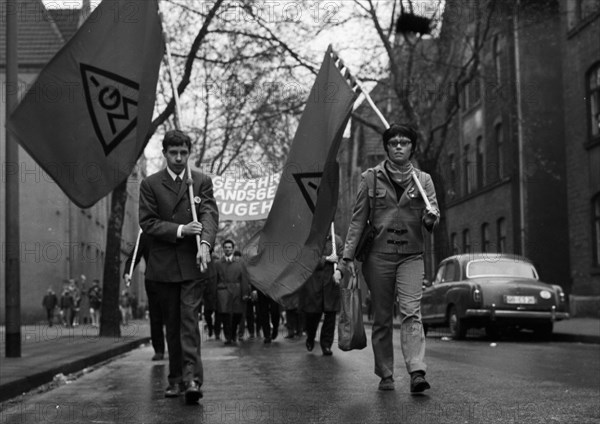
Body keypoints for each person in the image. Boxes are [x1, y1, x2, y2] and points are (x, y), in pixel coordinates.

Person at [335, 124, 439, 393]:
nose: (399, 146)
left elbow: (433, 216)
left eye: (405, 142)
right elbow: (358, 220)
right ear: (387, 147)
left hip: (411, 256)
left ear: (412, 148)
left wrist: (430, 219)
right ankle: (385, 373)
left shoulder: (423, 180)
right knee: (381, 317)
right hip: (378, 258)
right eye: (394, 143)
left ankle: (416, 370)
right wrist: (346, 256)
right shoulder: (370, 178)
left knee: (411, 312)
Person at [139, 129, 218, 403]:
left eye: (183, 153)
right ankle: (175, 379)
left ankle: (192, 379)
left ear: (189, 152)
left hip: (193, 263)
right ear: (164, 154)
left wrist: (206, 244)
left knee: (188, 321)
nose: (179, 158)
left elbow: (209, 215)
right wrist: (182, 229)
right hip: (163, 267)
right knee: (171, 325)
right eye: (173, 153)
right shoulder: (150, 184)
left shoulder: (200, 181)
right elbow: (148, 223)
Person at [124, 232, 166, 360]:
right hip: (152, 280)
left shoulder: (171, 230)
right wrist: (127, 272)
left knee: (173, 315)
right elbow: (135, 255)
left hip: (172, 279)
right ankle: (159, 349)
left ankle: (175, 347)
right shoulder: (145, 235)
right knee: (155, 316)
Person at [301, 231, 343, 356]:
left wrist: (339, 271)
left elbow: (343, 258)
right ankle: (310, 336)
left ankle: (326, 345)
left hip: (331, 284)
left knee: (330, 315)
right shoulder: (313, 239)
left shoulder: (337, 241)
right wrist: (327, 259)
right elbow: (308, 259)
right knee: (312, 315)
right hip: (315, 284)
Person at [215, 240, 250, 345]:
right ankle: (228, 337)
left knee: (237, 314)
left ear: (233, 249)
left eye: (229, 247)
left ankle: (234, 334)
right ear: (223, 249)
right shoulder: (218, 264)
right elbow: (215, 279)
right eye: (225, 247)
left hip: (237, 291)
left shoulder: (240, 263)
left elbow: (244, 279)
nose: (227, 249)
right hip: (223, 291)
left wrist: (245, 293)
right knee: (225, 315)